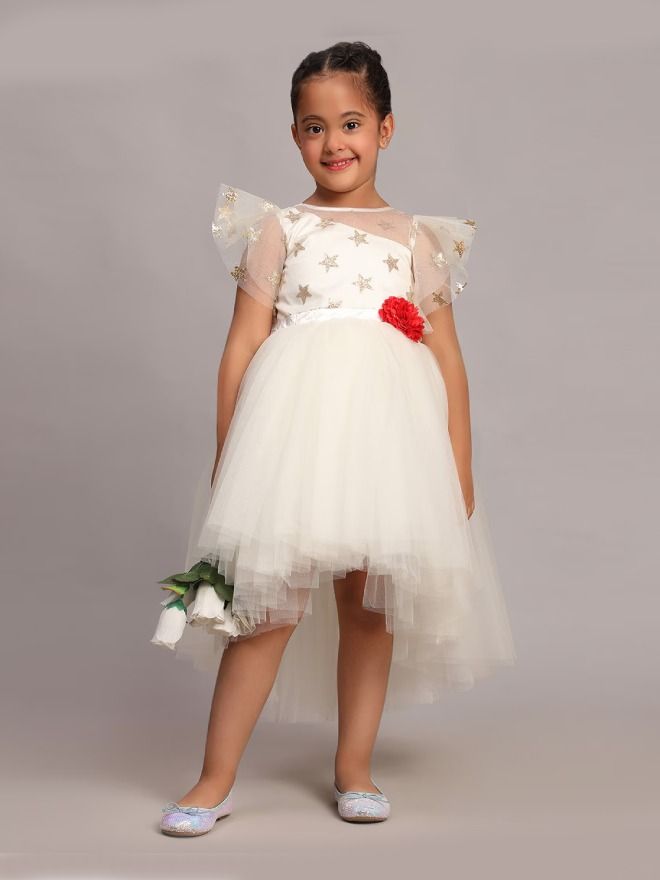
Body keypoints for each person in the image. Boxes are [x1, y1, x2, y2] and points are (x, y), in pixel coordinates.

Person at [151, 40, 516, 835]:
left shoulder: (417, 238)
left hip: (390, 447)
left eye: (351, 123)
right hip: (295, 442)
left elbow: (448, 361)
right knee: (267, 606)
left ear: (386, 128)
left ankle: (355, 769)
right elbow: (243, 346)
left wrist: (458, 463)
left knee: (368, 604)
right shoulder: (279, 229)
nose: (333, 142)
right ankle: (214, 779)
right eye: (314, 128)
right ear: (294, 136)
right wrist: (229, 450)